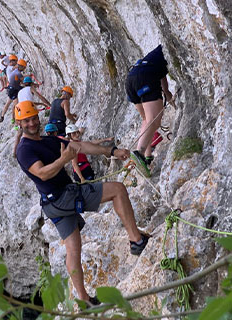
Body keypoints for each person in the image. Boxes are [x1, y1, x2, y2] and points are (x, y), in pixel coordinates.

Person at [14, 101, 148, 305]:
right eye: (27, 120)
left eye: (33, 118)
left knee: (73, 248)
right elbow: (42, 173)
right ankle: (137, 240)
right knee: (118, 190)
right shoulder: (24, 150)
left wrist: (111, 151)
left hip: (53, 204)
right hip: (62, 197)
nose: (32, 123)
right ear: (19, 123)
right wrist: (64, 159)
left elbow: (80, 146)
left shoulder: (46, 140)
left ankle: (84, 300)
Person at [126, 44, 174, 177]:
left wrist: (167, 92)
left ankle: (147, 156)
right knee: (154, 121)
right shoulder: (168, 48)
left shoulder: (156, 55)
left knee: (147, 120)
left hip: (131, 79)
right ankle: (139, 153)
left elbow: (162, 74)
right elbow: (161, 76)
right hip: (145, 76)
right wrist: (167, 93)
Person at [0, 59, 27, 123]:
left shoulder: (15, 71)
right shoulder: (18, 73)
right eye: (24, 67)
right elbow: (24, 82)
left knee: (8, 103)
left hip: (11, 89)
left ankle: (2, 116)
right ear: (22, 67)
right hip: (14, 90)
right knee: (16, 105)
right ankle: (15, 120)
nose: (25, 68)